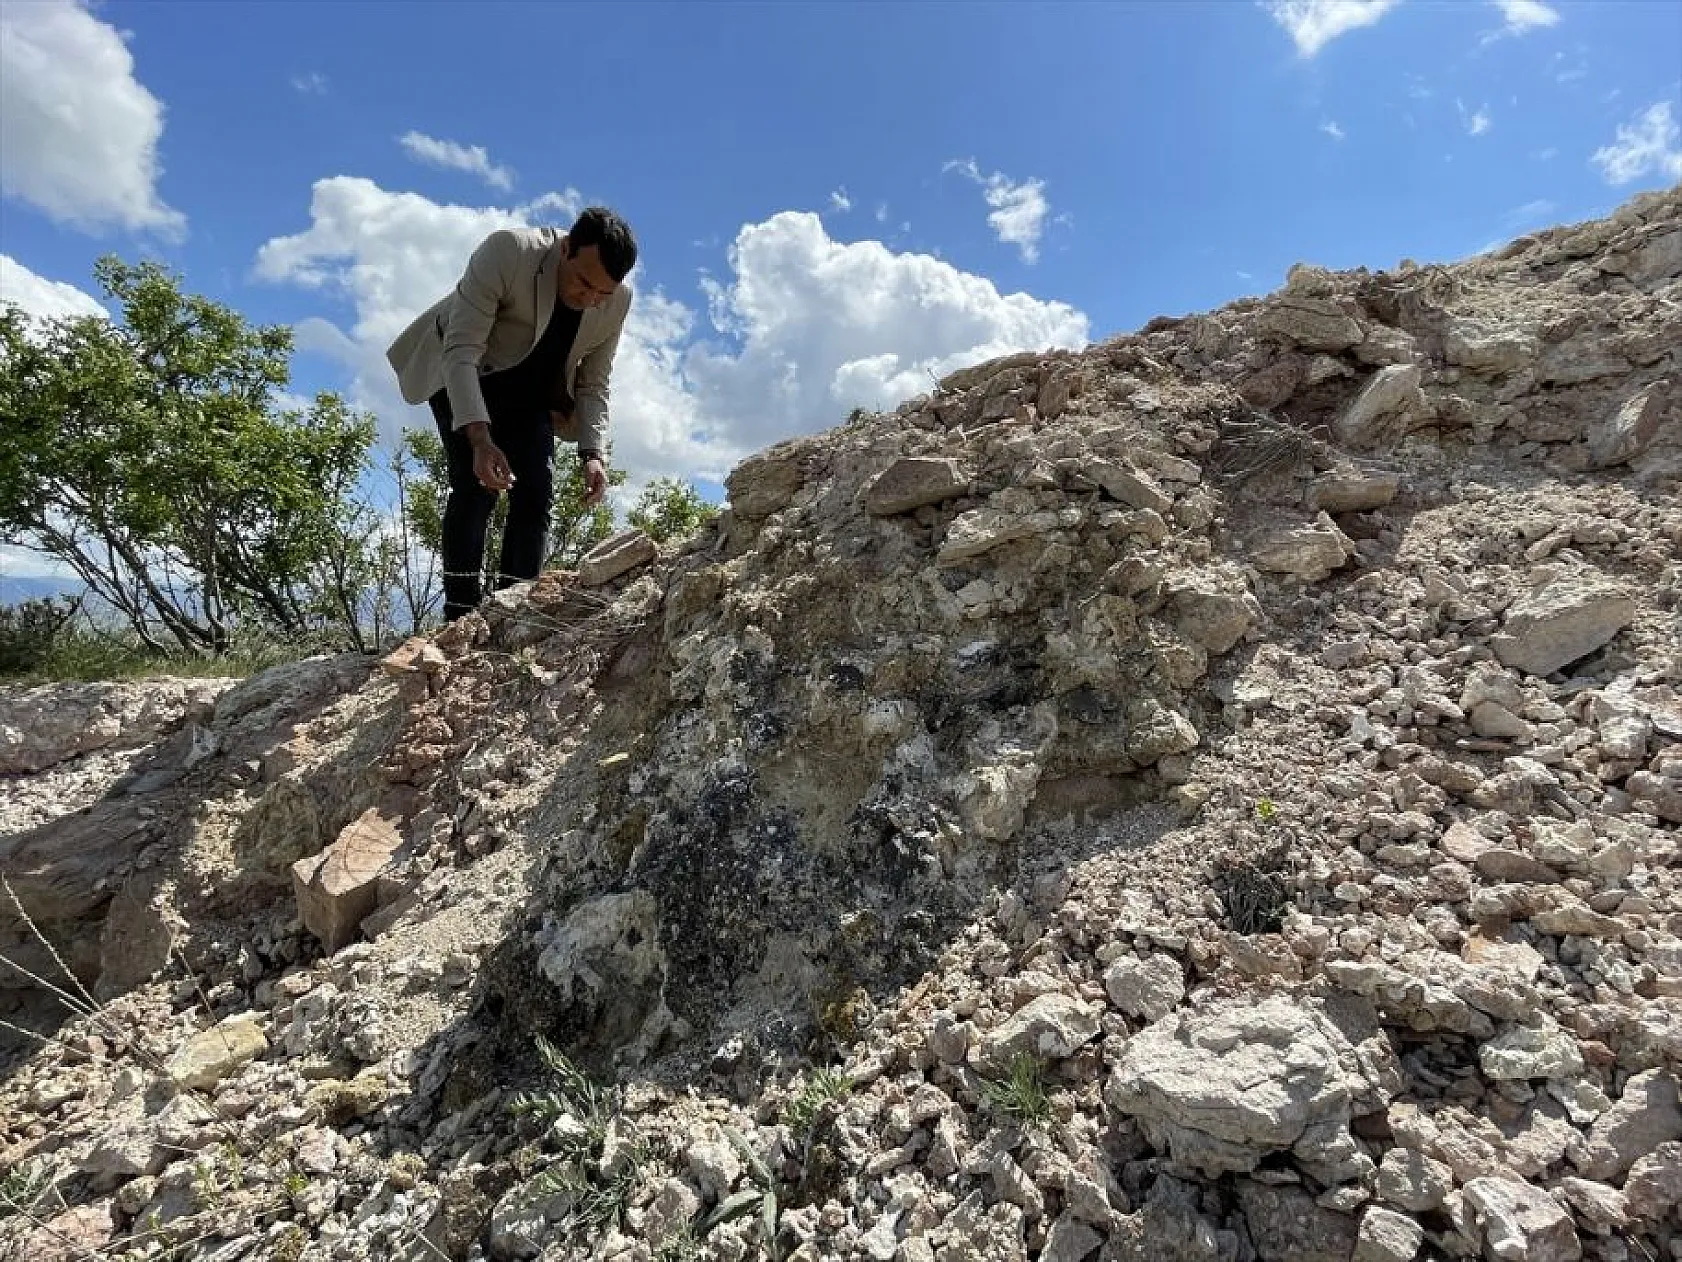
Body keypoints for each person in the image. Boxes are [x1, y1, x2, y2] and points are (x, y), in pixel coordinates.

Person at [387, 206, 638, 620]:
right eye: (583, 283)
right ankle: (461, 616)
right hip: (463, 369)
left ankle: (514, 614)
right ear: (565, 249)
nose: (589, 299)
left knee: (536, 493)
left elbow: (594, 383)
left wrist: (593, 454)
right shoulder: (508, 251)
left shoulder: (615, 303)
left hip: (529, 391)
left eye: (602, 294)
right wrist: (481, 440)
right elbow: (461, 350)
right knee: (475, 487)